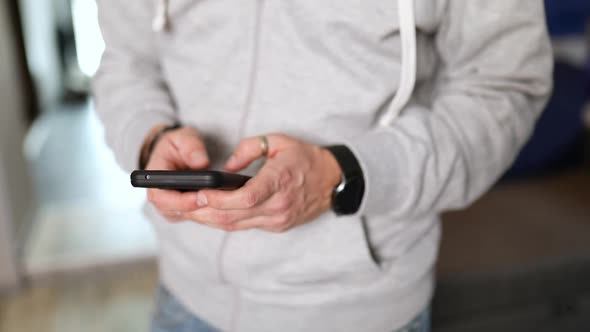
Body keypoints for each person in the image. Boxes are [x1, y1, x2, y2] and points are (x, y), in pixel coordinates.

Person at [94, 0, 553, 331]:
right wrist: (150, 136)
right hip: (183, 297)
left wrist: (348, 174)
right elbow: (125, 62)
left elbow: (506, 88)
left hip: (359, 311)